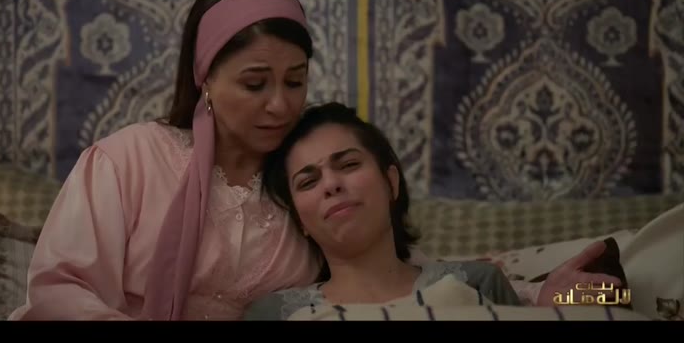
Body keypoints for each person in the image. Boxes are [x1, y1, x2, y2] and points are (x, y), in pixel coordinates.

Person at [8, 0, 620, 321]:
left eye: (295, 81)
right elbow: (57, 290)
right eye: (255, 83)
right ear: (206, 79)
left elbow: (410, 282)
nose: (280, 104)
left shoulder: (300, 188)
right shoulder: (131, 161)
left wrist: (554, 295)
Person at [243, 102, 623, 320]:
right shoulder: (272, 313)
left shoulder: (477, 282)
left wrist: (557, 310)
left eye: (348, 164)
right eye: (308, 182)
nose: (330, 184)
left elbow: (611, 298)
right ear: (300, 221)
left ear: (391, 183)